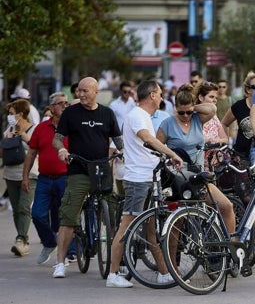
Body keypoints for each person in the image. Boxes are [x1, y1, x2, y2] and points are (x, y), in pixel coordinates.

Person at [106, 79, 184, 288]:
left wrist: (163, 157)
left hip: (148, 178)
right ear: (151, 95)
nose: (161, 97)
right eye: (159, 94)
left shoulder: (144, 116)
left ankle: (163, 272)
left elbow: (146, 145)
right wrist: (171, 153)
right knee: (126, 226)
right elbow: (147, 138)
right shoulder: (137, 115)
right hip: (138, 180)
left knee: (151, 229)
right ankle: (113, 274)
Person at [51, 77, 123, 279]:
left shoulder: (107, 113)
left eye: (85, 91)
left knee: (113, 213)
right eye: (79, 91)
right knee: (69, 216)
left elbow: (117, 139)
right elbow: (57, 138)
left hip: (102, 170)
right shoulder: (70, 113)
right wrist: (62, 149)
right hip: (78, 169)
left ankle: (118, 262)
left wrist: (124, 151)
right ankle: (60, 263)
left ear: (95, 91)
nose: (80, 94)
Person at [156, 84, 236, 234]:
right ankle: (171, 257)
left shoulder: (197, 119)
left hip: (197, 177)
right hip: (177, 179)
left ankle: (231, 248)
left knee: (227, 207)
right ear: (175, 108)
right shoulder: (167, 124)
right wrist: (170, 156)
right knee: (175, 223)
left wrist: (194, 107)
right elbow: (158, 147)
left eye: (188, 111)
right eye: (181, 112)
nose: (185, 115)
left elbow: (212, 110)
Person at [22, 92, 69, 264]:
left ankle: (70, 252)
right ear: (51, 108)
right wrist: (25, 177)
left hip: (65, 178)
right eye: (60, 103)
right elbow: (31, 153)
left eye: (66, 103)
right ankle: (50, 243)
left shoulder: (72, 127)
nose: (64, 106)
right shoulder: (41, 128)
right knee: (37, 214)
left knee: (67, 216)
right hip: (44, 178)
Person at [3, 99, 36, 256]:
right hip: (11, 175)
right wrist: (7, 139)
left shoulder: (33, 130)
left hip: (30, 174)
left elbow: (39, 149)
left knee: (24, 207)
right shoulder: (8, 128)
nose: (9, 117)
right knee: (16, 210)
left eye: (11, 114)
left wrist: (25, 139)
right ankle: (23, 241)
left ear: (21, 114)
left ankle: (21, 239)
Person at [221, 73, 255, 163]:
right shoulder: (239, 106)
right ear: (248, 89)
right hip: (240, 155)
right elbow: (224, 123)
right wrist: (226, 143)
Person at [194, 82, 229, 146]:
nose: (215, 100)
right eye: (211, 97)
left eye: (216, 98)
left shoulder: (214, 117)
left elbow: (226, 140)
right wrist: (207, 140)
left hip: (215, 155)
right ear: (201, 97)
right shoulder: (193, 117)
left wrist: (215, 141)